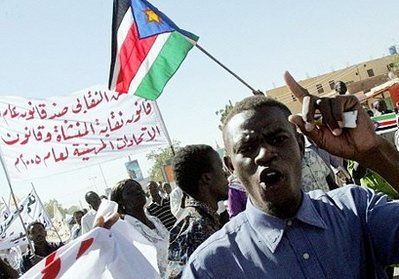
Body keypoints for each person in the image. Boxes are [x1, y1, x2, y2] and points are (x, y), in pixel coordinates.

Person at [182, 72, 399, 278]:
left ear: (301, 145)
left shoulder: (356, 208)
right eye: (248, 148)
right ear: (231, 167)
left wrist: (375, 153)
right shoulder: (209, 266)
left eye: (278, 139)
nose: (265, 154)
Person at [167, 144, 228, 278]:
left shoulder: (205, 219)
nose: (226, 173)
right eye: (220, 167)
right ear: (206, 178)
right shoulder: (196, 229)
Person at [110, 179, 169, 277]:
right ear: (121, 202)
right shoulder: (126, 231)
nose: (138, 192)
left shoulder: (155, 220)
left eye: (139, 188)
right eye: (131, 192)